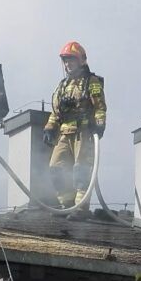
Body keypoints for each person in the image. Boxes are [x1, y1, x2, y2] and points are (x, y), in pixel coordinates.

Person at [42, 41, 107, 221]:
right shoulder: (62, 85)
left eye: (71, 60)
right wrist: (49, 128)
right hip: (64, 134)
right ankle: (67, 205)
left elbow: (100, 107)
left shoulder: (91, 82)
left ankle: (81, 208)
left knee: (82, 171)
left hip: (83, 133)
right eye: (65, 60)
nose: (67, 64)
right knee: (56, 168)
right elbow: (56, 112)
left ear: (80, 61)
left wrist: (99, 125)